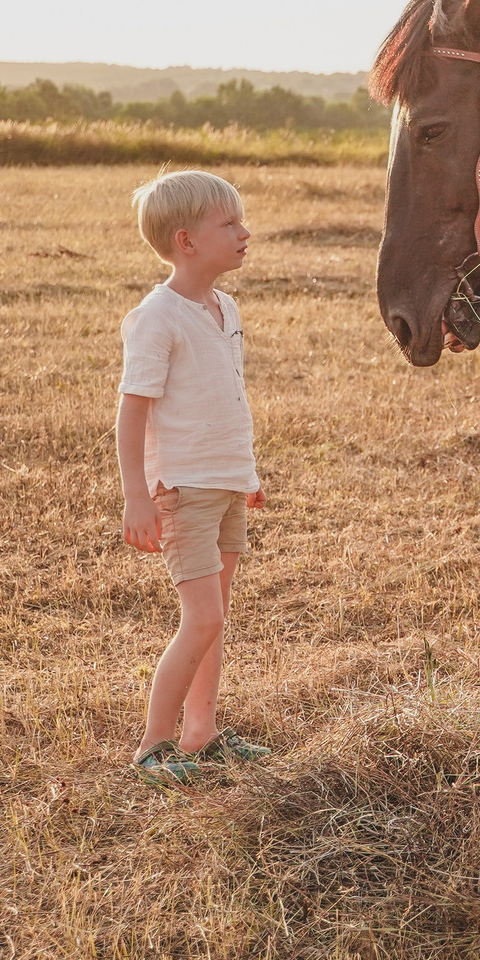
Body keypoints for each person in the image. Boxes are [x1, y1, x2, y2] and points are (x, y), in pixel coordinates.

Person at [118, 169, 270, 788]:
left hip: (226, 484)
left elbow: (225, 398)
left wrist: (246, 475)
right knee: (201, 618)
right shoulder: (157, 318)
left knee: (218, 615)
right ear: (186, 241)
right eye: (229, 225)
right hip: (181, 491)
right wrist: (136, 495)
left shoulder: (224, 307)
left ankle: (201, 732)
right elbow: (132, 411)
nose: (244, 233)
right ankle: (153, 746)